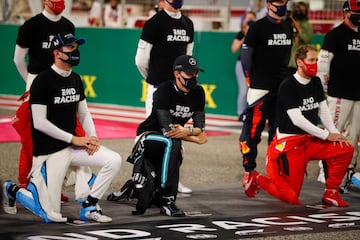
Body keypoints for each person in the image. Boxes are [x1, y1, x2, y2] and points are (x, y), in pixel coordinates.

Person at [3, 32, 122, 223]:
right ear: (57, 53)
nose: (76, 51)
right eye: (71, 47)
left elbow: (84, 113)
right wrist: (73, 139)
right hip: (50, 152)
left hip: (72, 148)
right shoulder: (42, 81)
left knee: (113, 160)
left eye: (77, 47)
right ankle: (12, 189)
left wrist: (93, 137)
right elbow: (39, 122)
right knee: (51, 216)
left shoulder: (75, 79)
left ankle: (89, 205)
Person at [244, 44, 354, 207]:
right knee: (291, 196)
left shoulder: (316, 82)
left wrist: (334, 133)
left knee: (345, 148)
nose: (315, 64)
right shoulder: (288, 86)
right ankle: (257, 178)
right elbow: (297, 120)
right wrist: (325, 135)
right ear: (300, 62)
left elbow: (323, 111)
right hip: (291, 144)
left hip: (309, 140)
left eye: (316, 60)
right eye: (311, 60)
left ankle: (331, 193)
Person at [12, 0, 95, 202]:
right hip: (37, 82)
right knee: (32, 136)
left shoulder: (68, 25)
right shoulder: (31, 26)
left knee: (66, 131)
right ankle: (26, 185)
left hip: (61, 80)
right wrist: (34, 84)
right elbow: (18, 60)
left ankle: (54, 186)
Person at [108, 55, 207, 217]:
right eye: (190, 74)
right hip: (147, 136)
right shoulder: (164, 89)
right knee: (173, 144)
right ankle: (168, 200)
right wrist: (192, 135)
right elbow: (168, 129)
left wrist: (187, 132)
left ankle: (134, 187)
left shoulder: (199, 92)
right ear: (177, 73)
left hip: (170, 137)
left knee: (175, 148)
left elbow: (200, 128)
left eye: (196, 73)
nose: (194, 77)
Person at [135, 0, 194, 194]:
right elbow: (141, 60)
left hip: (179, 91)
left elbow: (188, 58)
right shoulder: (153, 23)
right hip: (158, 88)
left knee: (177, 134)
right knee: (153, 135)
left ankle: (172, 180)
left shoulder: (188, 24)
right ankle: (145, 180)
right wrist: (154, 80)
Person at [238, 0, 293, 190]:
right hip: (260, 89)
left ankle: (276, 174)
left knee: (279, 134)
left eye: (284, 1)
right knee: (251, 134)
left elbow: (287, 58)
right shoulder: (257, 28)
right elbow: (246, 58)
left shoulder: (288, 27)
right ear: (269, 4)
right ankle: (249, 171)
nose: (282, 4)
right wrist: (250, 80)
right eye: (278, 1)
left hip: (281, 90)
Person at [317, 0, 360, 192]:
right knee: (335, 132)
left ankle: (347, 171)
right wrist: (322, 88)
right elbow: (323, 65)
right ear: (346, 12)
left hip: (359, 95)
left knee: (354, 135)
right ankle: (324, 172)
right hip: (339, 94)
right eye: (356, 12)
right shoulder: (334, 35)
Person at [231, 11, 256, 121]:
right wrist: (245, 36)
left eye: (252, 19)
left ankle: (250, 112)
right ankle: (241, 113)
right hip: (242, 64)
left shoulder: (258, 33)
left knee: (253, 90)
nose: (250, 21)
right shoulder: (241, 33)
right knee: (244, 89)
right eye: (248, 19)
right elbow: (234, 49)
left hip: (254, 64)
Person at [287, 1, 313, 75]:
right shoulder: (289, 23)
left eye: (301, 10)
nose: (299, 12)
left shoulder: (307, 25)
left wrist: (298, 28)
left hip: (300, 62)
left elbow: (307, 39)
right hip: (289, 62)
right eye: (297, 9)